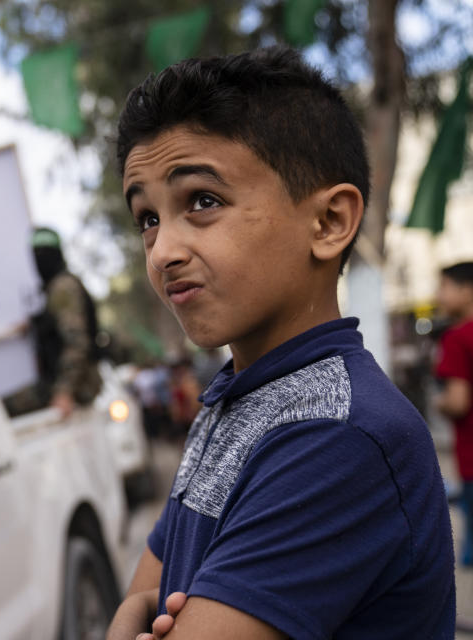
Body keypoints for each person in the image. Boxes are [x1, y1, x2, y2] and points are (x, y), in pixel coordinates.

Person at [106, 47, 454, 640]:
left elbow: (144, 604)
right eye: (148, 218)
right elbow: (146, 589)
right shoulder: (232, 399)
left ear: (328, 222)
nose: (163, 251)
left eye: (203, 201)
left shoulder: (338, 433)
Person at [29, 227, 102, 417]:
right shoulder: (56, 288)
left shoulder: (62, 287)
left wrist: (64, 391)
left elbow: (76, 343)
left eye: (43, 254)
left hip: (79, 387)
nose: (39, 260)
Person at [435, 261, 473, 566]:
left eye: (444, 287)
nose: (439, 296)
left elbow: (458, 402)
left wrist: (439, 403)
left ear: (466, 290)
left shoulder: (457, 338)